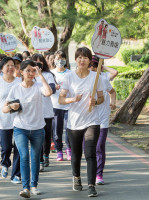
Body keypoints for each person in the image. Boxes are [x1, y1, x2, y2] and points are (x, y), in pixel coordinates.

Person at [3, 60, 52, 198]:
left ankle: (34, 185)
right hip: (20, 128)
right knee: (24, 156)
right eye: (28, 71)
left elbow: (48, 92)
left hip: (38, 128)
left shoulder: (38, 86)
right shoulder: (15, 89)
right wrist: (12, 107)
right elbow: (4, 108)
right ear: (22, 72)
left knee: (35, 157)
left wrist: (41, 76)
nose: (31, 73)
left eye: (33, 71)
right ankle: (26, 188)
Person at [59, 47, 104, 197]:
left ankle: (91, 186)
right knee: (76, 153)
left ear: (90, 60)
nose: (82, 60)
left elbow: (101, 98)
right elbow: (61, 99)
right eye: (79, 57)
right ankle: (76, 178)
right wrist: (73, 99)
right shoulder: (69, 77)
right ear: (76, 59)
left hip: (92, 120)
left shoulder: (96, 77)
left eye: (85, 57)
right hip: (74, 122)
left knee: (90, 153)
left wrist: (95, 101)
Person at [0, 57, 22, 184]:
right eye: (7, 65)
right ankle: (5, 163)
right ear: (2, 68)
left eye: (12, 65)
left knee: (19, 147)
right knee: (6, 147)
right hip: (4, 120)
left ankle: (16, 175)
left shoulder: (20, 81)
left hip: (20, 120)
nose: (10, 68)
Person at [89, 55, 117, 185]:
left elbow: (112, 92)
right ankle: (92, 171)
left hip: (102, 120)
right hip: (87, 121)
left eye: (95, 66)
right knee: (89, 150)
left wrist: (113, 102)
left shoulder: (103, 79)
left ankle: (98, 174)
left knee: (99, 147)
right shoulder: (83, 80)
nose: (93, 69)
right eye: (92, 66)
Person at [31, 54, 56, 171]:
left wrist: (40, 76)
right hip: (34, 112)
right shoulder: (29, 75)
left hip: (47, 111)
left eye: (39, 62)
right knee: (38, 138)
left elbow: (52, 89)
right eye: (35, 62)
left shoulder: (48, 75)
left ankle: (46, 155)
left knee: (46, 137)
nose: (37, 64)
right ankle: (40, 160)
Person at [51, 50, 72, 162]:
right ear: (54, 60)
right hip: (56, 105)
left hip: (68, 105)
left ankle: (69, 149)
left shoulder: (70, 73)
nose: (60, 61)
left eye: (62, 58)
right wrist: (54, 88)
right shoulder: (51, 73)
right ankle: (59, 151)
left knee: (68, 128)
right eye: (58, 58)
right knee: (57, 130)